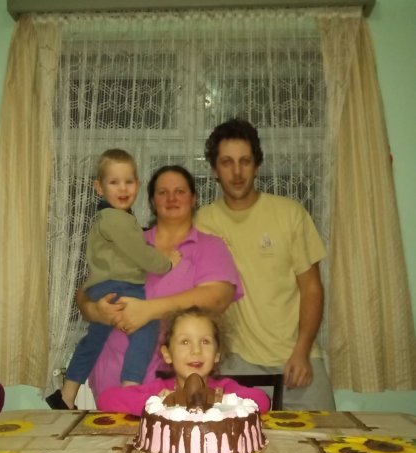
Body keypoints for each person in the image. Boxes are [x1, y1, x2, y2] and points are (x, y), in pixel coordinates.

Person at [195, 118, 335, 411]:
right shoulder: (204, 222)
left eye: (245, 161)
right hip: (235, 363)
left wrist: (302, 351)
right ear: (215, 170)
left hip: (297, 359)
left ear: (257, 166)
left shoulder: (290, 213)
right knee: (230, 438)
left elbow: (312, 289)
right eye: (227, 162)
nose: (237, 172)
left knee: (326, 435)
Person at [76, 165, 244, 400]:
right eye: (163, 192)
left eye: (180, 191)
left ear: (194, 198)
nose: (171, 198)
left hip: (176, 380)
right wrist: (94, 310)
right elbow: (88, 288)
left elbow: (217, 297)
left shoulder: (210, 246)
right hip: (113, 374)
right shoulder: (131, 241)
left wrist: (148, 310)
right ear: (153, 202)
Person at [47, 149, 181, 410]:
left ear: (138, 185)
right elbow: (140, 253)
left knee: (93, 340)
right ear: (99, 187)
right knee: (146, 326)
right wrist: (167, 263)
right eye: (114, 182)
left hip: (102, 287)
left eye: (128, 182)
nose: (122, 188)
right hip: (121, 286)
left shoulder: (110, 217)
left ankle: (67, 394)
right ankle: (130, 386)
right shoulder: (117, 219)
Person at [97, 306, 270, 414]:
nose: (196, 350)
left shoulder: (224, 389)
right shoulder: (158, 390)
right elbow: (106, 399)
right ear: (167, 354)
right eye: (185, 342)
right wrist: (159, 403)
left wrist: (216, 400)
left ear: (217, 354)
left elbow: (262, 400)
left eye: (205, 342)